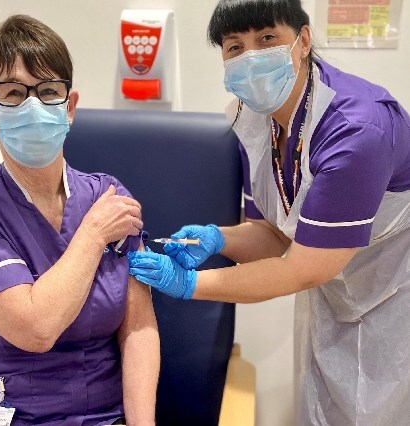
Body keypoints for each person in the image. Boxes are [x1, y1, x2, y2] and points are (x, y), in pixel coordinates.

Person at [127, 0, 410, 424]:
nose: (251, 57)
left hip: (394, 293)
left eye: (267, 39)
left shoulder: (355, 131)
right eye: (235, 47)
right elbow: (274, 234)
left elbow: (301, 269)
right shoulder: (255, 120)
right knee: (322, 406)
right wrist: (216, 238)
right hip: (333, 290)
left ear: (303, 40)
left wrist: (188, 284)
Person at [0, 15, 159, 426]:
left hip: (105, 416)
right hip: (14, 414)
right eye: (13, 93)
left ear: (69, 107)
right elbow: (37, 328)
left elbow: (138, 328)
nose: (34, 106)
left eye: (49, 90)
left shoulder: (108, 196)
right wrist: (94, 233)